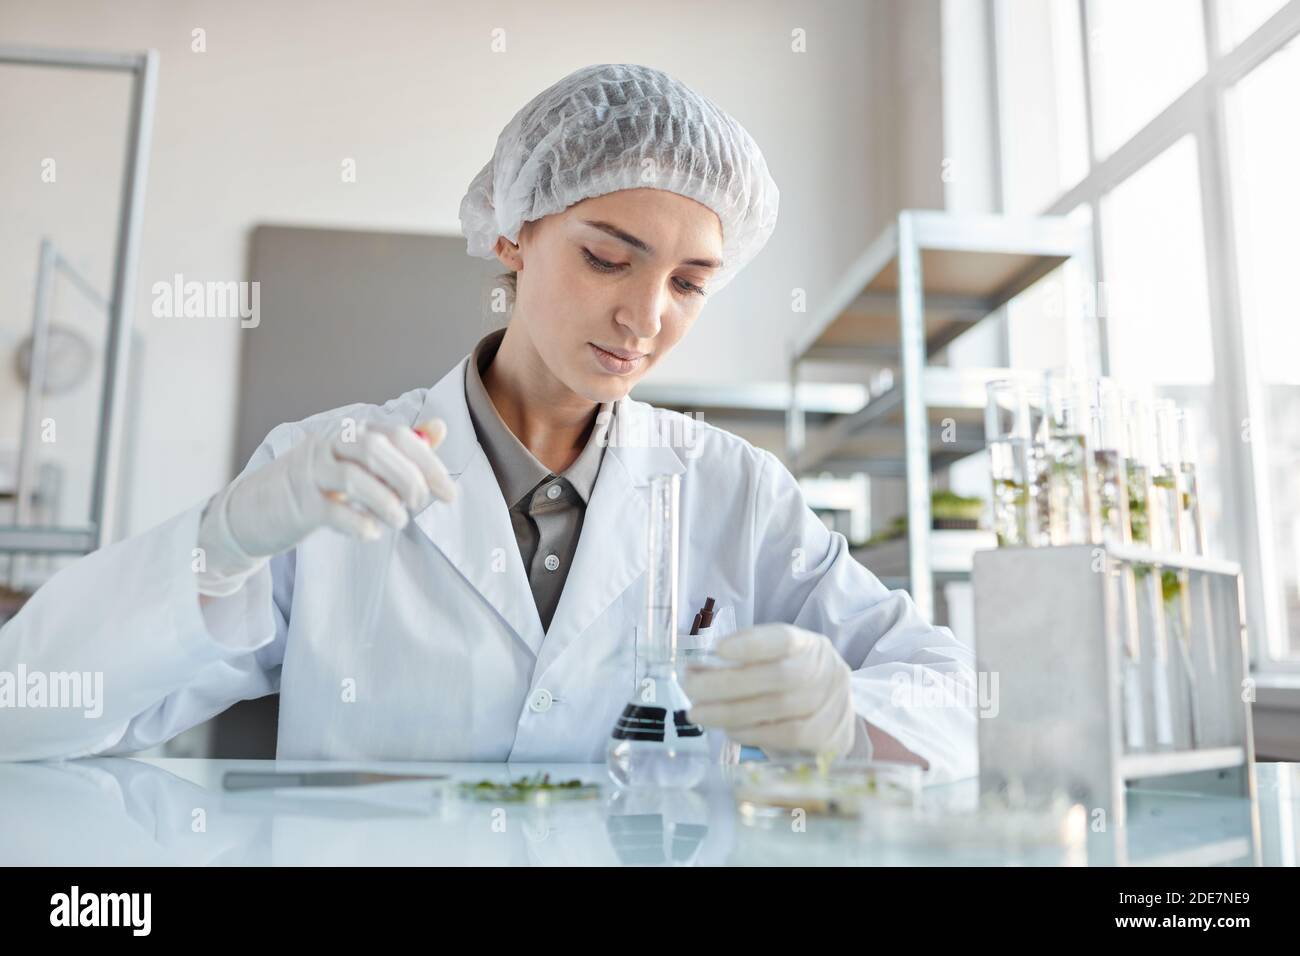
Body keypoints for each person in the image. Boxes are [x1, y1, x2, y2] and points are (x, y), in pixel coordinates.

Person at [0, 63, 976, 780]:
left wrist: (849, 713)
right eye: (607, 258)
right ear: (514, 235)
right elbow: (27, 713)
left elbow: (955, 699)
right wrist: (220, 547)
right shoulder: (322, 472)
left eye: (688, 282)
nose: (645, 317)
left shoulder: (734, 490)